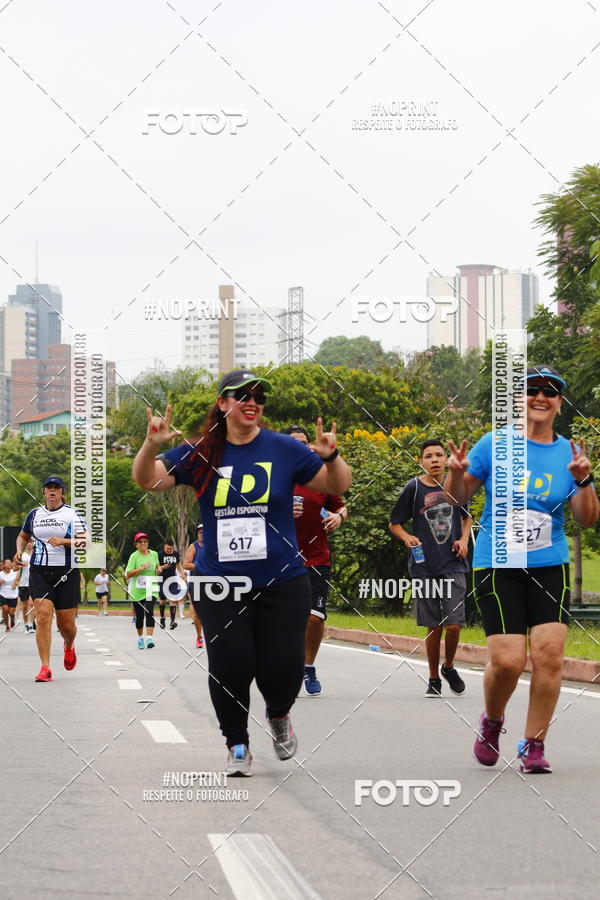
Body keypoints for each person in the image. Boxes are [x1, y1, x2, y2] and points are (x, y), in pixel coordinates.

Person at [132, 369, 352, 776]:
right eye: (241, 395)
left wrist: (331, 456)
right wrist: (150, 445)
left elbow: (338, 483)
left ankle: (279, 714)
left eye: (259, 396)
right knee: (231, 665)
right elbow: (147, 480)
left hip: (282, 578)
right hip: (220, 583)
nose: (252, 402)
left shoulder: (286, 449)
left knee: (283, 665)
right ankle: (237, 742)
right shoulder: (199, 451)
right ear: (222, 403)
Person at [445, 365, 599, 773]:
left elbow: (587, 518)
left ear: (559, 404)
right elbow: (457, 497)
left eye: (550, 391)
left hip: (550, 563)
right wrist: (456, 474)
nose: (541, 397)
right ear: (520, 399)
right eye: (532, 389)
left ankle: (534, 745)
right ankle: (492, 721)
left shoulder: (569, 453)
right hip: (499, 562)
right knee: (510, 661)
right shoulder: (494, 444)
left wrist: (584, 482)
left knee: (549, 656)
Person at [389, 439, 471, 697]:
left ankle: (449, 666)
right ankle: (434, 677)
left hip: (454, 564)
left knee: (455, 624)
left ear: (446, 458)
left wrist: (463, 540)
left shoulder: (456, 484)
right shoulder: (412, 488)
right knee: (434, 626)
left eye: (439, 455)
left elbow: (467, 516)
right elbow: (395, 523)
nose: (434, 459)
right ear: (420, 461)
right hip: (424, 567)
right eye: (428, 456)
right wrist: (406, 538)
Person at [283, 425, 348, 696]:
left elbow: (340, 505)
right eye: (293, 442)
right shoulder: (272, 476)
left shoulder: (319, 475)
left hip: (316, 558)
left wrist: (339, 517)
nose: (300, 446)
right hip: (281, 560)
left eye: (304, 442)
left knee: (315, 618)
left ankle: (308, 666)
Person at [14, 476, 88, 682]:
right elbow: (23, 536)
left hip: (66, 572)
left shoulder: (72, 513)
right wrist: (19, 551)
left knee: (66, 626)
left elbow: (86, 542)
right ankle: (45, 667)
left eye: (56, 488)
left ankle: (68, 645)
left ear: (62, 492)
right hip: (39, 571)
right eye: (49, 488)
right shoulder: (34, 514)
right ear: (44, 492)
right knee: (43, 615)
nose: (52, 491)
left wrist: (64, 541)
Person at [124, 533, 160, 649]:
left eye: (145, 541)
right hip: (137, 591)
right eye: (140, 542)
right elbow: (128, 574)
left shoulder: (154, 554)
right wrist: (142, 568)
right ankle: (140, 638)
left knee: (149, 610)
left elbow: (157, 567)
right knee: (139, 617)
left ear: (148, 543)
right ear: (136, 545)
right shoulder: (134, 556)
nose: (143, 543)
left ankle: (149, 639)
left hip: (151, 587)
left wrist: (158, 569)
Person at [182, 524, 205, 649]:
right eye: (199, 532)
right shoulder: (193, 546)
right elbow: (186, 564)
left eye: (204, 531)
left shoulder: (213, 546)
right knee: (196, 611)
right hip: (196, 582)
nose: (201, 533)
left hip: (212, 582)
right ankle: (199, 637)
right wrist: (201, 565)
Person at [157, 540, 182, 630]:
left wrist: (182, 572)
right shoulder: (159, 555)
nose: (169, 550)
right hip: (162, 579)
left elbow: (178, 564)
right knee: (163, 600)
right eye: (167, 549)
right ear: (164, 546)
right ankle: (162, 618)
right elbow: (157, 568)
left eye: (171, 549)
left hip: (173, 580)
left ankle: (172, 621)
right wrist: (162, 567)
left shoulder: (175, 554)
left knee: (173, 599)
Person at [15, 540, 35, 632]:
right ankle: (26, 623)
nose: (29, 543)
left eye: (31, 542)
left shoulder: (36, 554)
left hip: (34, 583)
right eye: (28, 542)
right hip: (23, 584)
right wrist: (20, 565)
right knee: (24, 606)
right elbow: (15, 568)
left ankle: (31, 625)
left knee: (32, 604)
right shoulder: (21, 555)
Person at [0, 559, 20, 632]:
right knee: (5, 610)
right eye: (7, 563)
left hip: (13, 595)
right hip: (3, 594)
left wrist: (16, 583)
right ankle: (7, 626)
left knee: (11, 612)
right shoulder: (1, 574)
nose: (9, 564)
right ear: (4, 565)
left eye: (10, 563)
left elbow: (18, 581)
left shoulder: (15, 573)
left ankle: (12, 618)